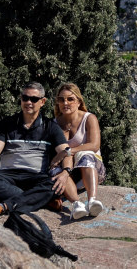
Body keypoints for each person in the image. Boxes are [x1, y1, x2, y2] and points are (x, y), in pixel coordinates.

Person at [0, 82, 73, 218]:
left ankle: (4, 206)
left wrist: (65, 172)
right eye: (25, 98)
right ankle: (42, 200)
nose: (28, 102)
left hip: (36, 177)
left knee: (54, 186)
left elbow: (67, 152)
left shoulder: (50, 126)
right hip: (7, 175)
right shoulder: (7, 123)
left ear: (43, 102)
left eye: (34, 99)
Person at [50, 83, 106, 220]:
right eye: (61, 99)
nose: (65, 103)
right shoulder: (53, 124)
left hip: (91, 168)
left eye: (70, 99)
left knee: (84, 154)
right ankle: (77, 204)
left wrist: (68, 151)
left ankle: (92, 200)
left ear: (79, 101)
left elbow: (94, 145)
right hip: (69, 174)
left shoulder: (89, 118)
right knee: (55, 168)